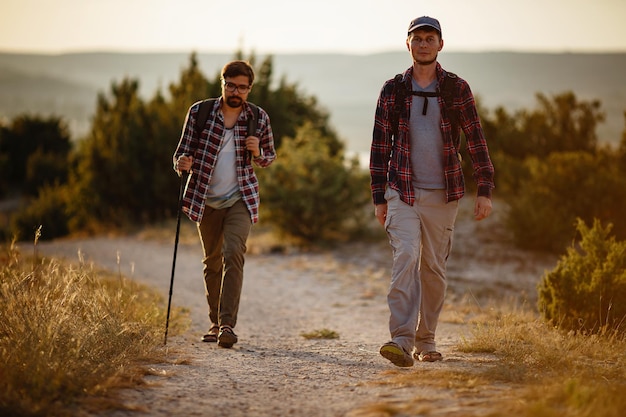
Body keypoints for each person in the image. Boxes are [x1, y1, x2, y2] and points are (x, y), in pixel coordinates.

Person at [370, 16, 495, 367]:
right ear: (407, 44)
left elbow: (475, 140)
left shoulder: (456, 88)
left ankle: (427, 341)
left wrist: (484, 187)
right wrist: (379, 197)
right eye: (417, 39)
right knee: (406, 256)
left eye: (430, 38)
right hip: (402, 191)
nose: (423, 44)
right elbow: (380, 147)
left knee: (434, 270)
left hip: (444, 193)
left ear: (440, 45)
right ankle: (401, 340)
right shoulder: (393, 89)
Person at [173, 60, 276, 348]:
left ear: (249, 89)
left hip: (240, 198)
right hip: (205, 199)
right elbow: (181, 152)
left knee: (234, 253)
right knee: (212, 262)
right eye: (231, 85)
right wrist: (182, 163)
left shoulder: (258, 117)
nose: (236, 91)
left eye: (242, 88)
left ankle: (227, 325)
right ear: (222, 83)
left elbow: (269, 158)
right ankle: (215, 322)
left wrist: (259, 151)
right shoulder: (200, 112)